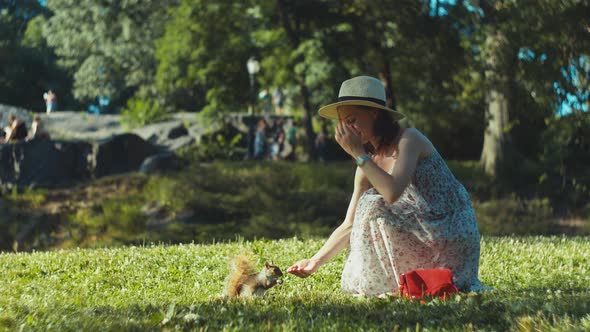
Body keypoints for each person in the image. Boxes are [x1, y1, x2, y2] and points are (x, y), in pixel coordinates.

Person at [287, 76, 487, 297]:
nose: (349, 130)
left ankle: (422, 281)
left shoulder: (409, 140)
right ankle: (400, 285)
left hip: (450, 232)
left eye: (352, 120)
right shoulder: (367, 163)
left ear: (374, 113)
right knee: (368, 205)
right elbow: (350, 223)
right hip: (420, 234)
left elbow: (392, 192)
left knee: (374, 204)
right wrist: (315, 261)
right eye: (344, 124)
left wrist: (358, 154)